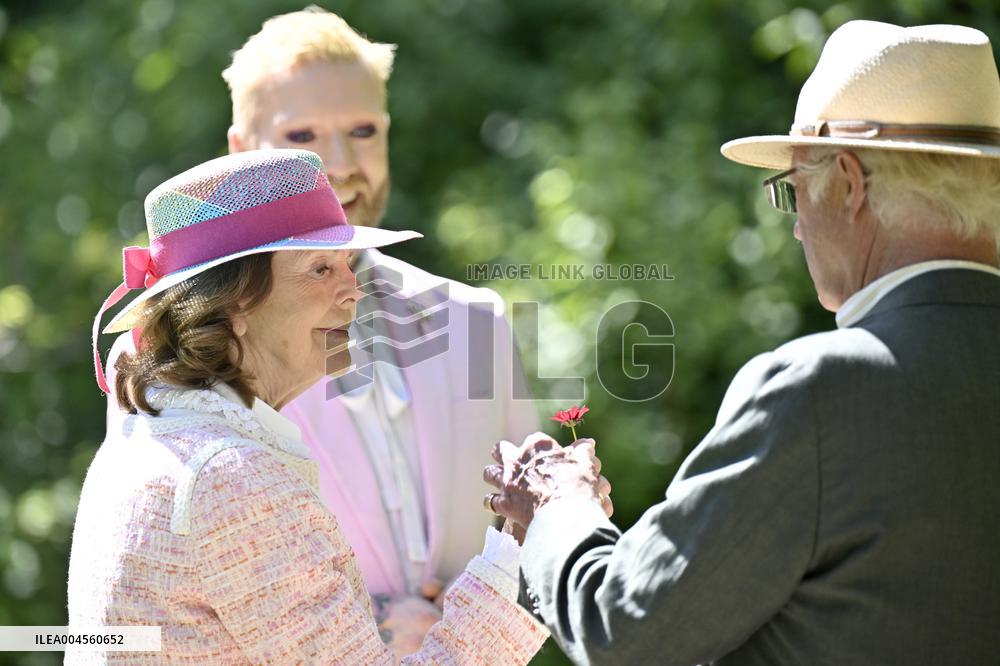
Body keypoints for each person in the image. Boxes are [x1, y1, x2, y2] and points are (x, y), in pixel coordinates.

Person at [484, 20, 1000, 665]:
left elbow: (627, 631)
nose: (796, 232)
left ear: (847, 182)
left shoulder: (822, 390)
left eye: (793, 191)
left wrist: (561, 505)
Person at [71, 149, 548, 663]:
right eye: (321, 268)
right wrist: (520, 537)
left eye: (347, 264)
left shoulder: (153, 441)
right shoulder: (231, 479)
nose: (353, 291)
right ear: (234, 304)